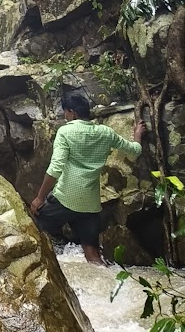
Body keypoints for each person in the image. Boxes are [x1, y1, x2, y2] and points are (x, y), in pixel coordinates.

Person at [30, 90, 145, 265]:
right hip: (90, 205)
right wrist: (137, 134)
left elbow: (55, 168)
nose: (65, 116)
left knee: (35, 228)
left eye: (65, 113)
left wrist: (39, 198)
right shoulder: (105, 132)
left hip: (64, 199)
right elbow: (135, 151)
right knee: (92, 254)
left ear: (71, 112)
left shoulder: (65, 132)